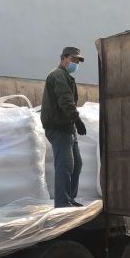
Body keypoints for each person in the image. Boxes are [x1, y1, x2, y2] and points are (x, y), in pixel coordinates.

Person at [41, 46, 87, 208]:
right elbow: (66, 101)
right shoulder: (58, 75)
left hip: (68, 127)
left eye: (78, 61)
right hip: (58, 128)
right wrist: (77, 120)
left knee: (77, 164)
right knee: (65, 165)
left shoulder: (66, 77)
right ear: (64, 58)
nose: (76, 64)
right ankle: (62, 202)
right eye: (73, 60)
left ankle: (70, 198)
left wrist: (74, 123)